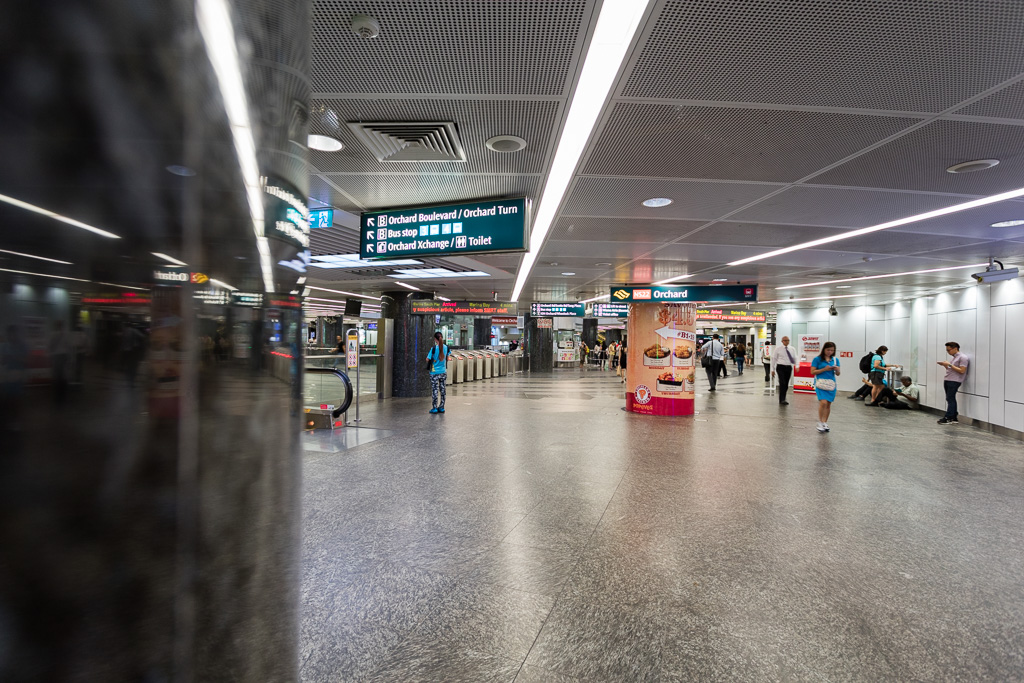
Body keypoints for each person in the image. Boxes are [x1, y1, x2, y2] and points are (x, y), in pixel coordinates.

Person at [810, 341, 840, 432]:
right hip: (820, 384)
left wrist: (837, 369)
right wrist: (824, 369)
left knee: (828, 404)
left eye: (832, 350)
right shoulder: (817, 359)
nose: (829, 352)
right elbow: (812, 372)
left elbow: (838, 374)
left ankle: (824, 422)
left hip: (831, 384)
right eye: (828, 350)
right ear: (824, 349)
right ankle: (820, 421)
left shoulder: (835, 360)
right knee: (823, 402)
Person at [937, 341, 969, 425]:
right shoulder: (954, 357)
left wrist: (950, 365)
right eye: (947, 350)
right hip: (948, 379)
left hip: (955, 380)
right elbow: (951, 370)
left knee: (950, 398)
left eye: (949, 350)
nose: (948, 352)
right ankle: (954, 416)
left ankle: (949, 417)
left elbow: (962, 370)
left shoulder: (963, 357)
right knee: (949, 398)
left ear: (955, 348)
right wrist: (945, 365)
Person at [425, 331, 451, 414]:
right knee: (443, 389)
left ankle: (434, 408)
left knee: (435, 390)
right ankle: (442, 407)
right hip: (443, 372)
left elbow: (427, 359)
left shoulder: (433, 349)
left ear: (435, 339)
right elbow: (447, 358)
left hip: (434, 372)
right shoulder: (446, 347)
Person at [770, 336, 796, 405]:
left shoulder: (792, 349)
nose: (787, 341)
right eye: (785, 340)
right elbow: (774, 359)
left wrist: (797, 365)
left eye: (788, 340)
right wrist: (772, 369)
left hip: (788, 367)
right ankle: (782, 399)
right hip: (780, 367)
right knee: (782, 383)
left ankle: (783, 397)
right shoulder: (778, 349)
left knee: (786, 384)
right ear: (782, 341)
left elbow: (795, 357)